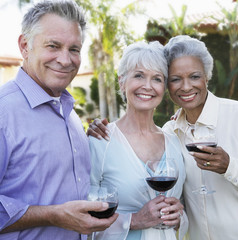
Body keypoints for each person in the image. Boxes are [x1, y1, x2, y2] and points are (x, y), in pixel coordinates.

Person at [88, 35, 238, 240]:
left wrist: (230, 167)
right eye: (175, 79)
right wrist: (155, 218)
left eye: (194, 76)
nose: (186, 86)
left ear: (207, 77)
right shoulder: (173, 132)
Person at [0, 1, 118, 239]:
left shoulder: (70, 114)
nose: (65, 60)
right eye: (53, 46)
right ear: (25, 46)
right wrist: (52, 215)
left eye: (74, 49)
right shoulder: (4, 113)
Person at [88, 41, 187, 240]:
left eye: (157, 79)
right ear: (122, 82)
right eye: (139, 75)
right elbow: (82, 216)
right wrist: (133, 220)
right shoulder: (100, 141)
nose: (147, 86)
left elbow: (184, 208)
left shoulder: (175, 141)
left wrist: (179, 217)